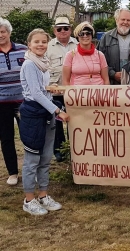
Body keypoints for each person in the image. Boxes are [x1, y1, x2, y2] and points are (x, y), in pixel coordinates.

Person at [19, 28, 70, 216]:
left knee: (46, 158)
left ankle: (43, 195)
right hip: (34, 115)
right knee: (32, 160)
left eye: (43, 42)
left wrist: (52, 89)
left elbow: (43, 90)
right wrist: (58, 111)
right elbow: (35, 93)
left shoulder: (43, 63)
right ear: (29, 45)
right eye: (36, 42)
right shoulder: (29, 65)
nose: (40, 45)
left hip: (45, 114)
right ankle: (29, 199)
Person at [46, 16, 77, 162]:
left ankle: (74, 148)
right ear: (54, 30)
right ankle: (58, 150)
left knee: (74, 119)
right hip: (55, 90)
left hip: (73, 90)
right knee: (56, 121)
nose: (63, 31)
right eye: (59, 29)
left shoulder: (77, 44)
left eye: (66, 28)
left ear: (70, 29)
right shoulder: (47, 46)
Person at [0, 17, 27, 186]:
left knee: (28, 136)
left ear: (9, 32)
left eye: (2, 31)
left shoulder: (24, 50)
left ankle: (31, 170)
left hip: (23, 100)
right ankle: (12, 173)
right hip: (2, 103)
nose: (0, 35)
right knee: (6, 138)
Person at [97, 8, 130, 84]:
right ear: (116, 20)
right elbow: (98, 60)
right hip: (112, 82)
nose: (125, 22)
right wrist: (113, 74)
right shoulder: (106, 37)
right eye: (123, 19)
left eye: (128, 20)